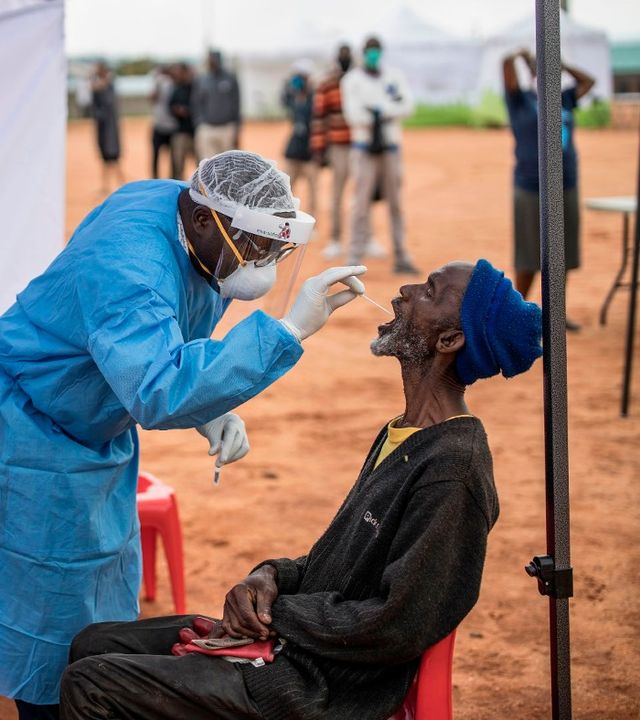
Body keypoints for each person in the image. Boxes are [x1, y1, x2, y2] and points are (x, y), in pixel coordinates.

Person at [0, 150, 369, 720]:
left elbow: (164, 343)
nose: (261, 262)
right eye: (254, 245)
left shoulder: (185, 214)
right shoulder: (129, 262)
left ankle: (87, 686)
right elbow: (158, 387)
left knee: (97, 583)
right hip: (21, 421)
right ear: (207, 220)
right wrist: (287, 332)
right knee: (40, 602)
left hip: (89, 415)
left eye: (273, 250)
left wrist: (207, 407)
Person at [61, 259, 543, 720]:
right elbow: (336, 566)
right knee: (93, 644)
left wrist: (275, 617)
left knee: (92, 684)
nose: (405, 292)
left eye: (430, 291)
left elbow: (401, 623)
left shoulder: (452, 470)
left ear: (450, 339)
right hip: (297, 648)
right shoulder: (406, 433)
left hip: (318, 688)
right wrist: (267, 579)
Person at [503, 48, 594, 330]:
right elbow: (505, 69)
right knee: (529, 255)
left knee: (562, 252)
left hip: (566, 183)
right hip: (531, 186)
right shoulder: (521, 100)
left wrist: (562, 63)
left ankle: (554, 314)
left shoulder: (563, 99)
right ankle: (518, 314)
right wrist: (518, 55)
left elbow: (588, 82)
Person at [342, 36, 417, 274]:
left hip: (390, 147)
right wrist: (387, 109)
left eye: (376, 51)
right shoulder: (352, 80)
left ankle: (402, 255)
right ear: (363, 53)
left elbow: (408, 106)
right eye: (369, 51)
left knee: (396, 203)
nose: (373, 55)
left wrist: (379, 110)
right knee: (360, 203)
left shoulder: (393, 77)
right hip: (363, 149)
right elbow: (354, 115)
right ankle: (353, 256)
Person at [311, 44, 357, 261]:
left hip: (361, 145)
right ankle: (336, 239)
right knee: (337, 194)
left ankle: (364, 239)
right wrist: (319, 148)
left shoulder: (360, 80)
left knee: (363, 195)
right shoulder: (328, 84)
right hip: (338, 146)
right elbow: (319, 117)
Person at [281, 59, 318, 213]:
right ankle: (285, 218)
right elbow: (283, 101)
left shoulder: (315, 98)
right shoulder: (293, 97)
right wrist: (287, 87)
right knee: (286, 188)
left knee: (313, 191)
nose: (297, 80)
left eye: (300, 77)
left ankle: (312, 222)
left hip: (310, 151)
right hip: (294, 149)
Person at [194, 50, 242, 160]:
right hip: (207, 128)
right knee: (208, 164)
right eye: (209, 59)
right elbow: (196, 103)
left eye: (213, 59)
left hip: (226, 128)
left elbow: (237, 104)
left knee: (228, 164)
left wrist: (236, 128)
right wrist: (199, 122)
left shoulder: (230, 78)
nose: (211, 62)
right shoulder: (202, 79)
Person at [91, 62, 125, 192]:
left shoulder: (109, 86)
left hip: (110, 128)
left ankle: (121, 183)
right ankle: (107, 185)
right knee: (105, 158)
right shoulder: (99, 86)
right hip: (103, 127)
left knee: (113, 157)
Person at [169, 63, 198, 179]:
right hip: (180, 132)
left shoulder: (196, 88)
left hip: (196, 132)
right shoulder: (176, 89)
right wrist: (178, 110)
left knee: (201, 165)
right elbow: (170, 106)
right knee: (178, 166)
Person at [150, 65, 178, 179]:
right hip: (159, 125)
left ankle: (172, 178)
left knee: (173, 157)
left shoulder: (175, 84)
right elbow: (152, 98)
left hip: (172, 126)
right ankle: (155, 177)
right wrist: (157, 83)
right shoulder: (159, 82)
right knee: (156, 155)